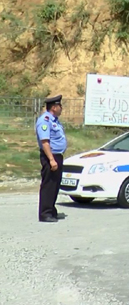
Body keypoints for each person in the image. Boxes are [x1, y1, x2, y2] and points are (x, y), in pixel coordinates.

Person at [36, 95, 68, 223]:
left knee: (55, 185)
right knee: (48, 185)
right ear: (54, 107)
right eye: (60, 106)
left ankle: (51, 209)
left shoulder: (54, 120)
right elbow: (45, 142)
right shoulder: (45, 120)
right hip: (51, 156)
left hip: (57, 156)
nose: (61, 108)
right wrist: (51, 160)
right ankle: (45, 213)